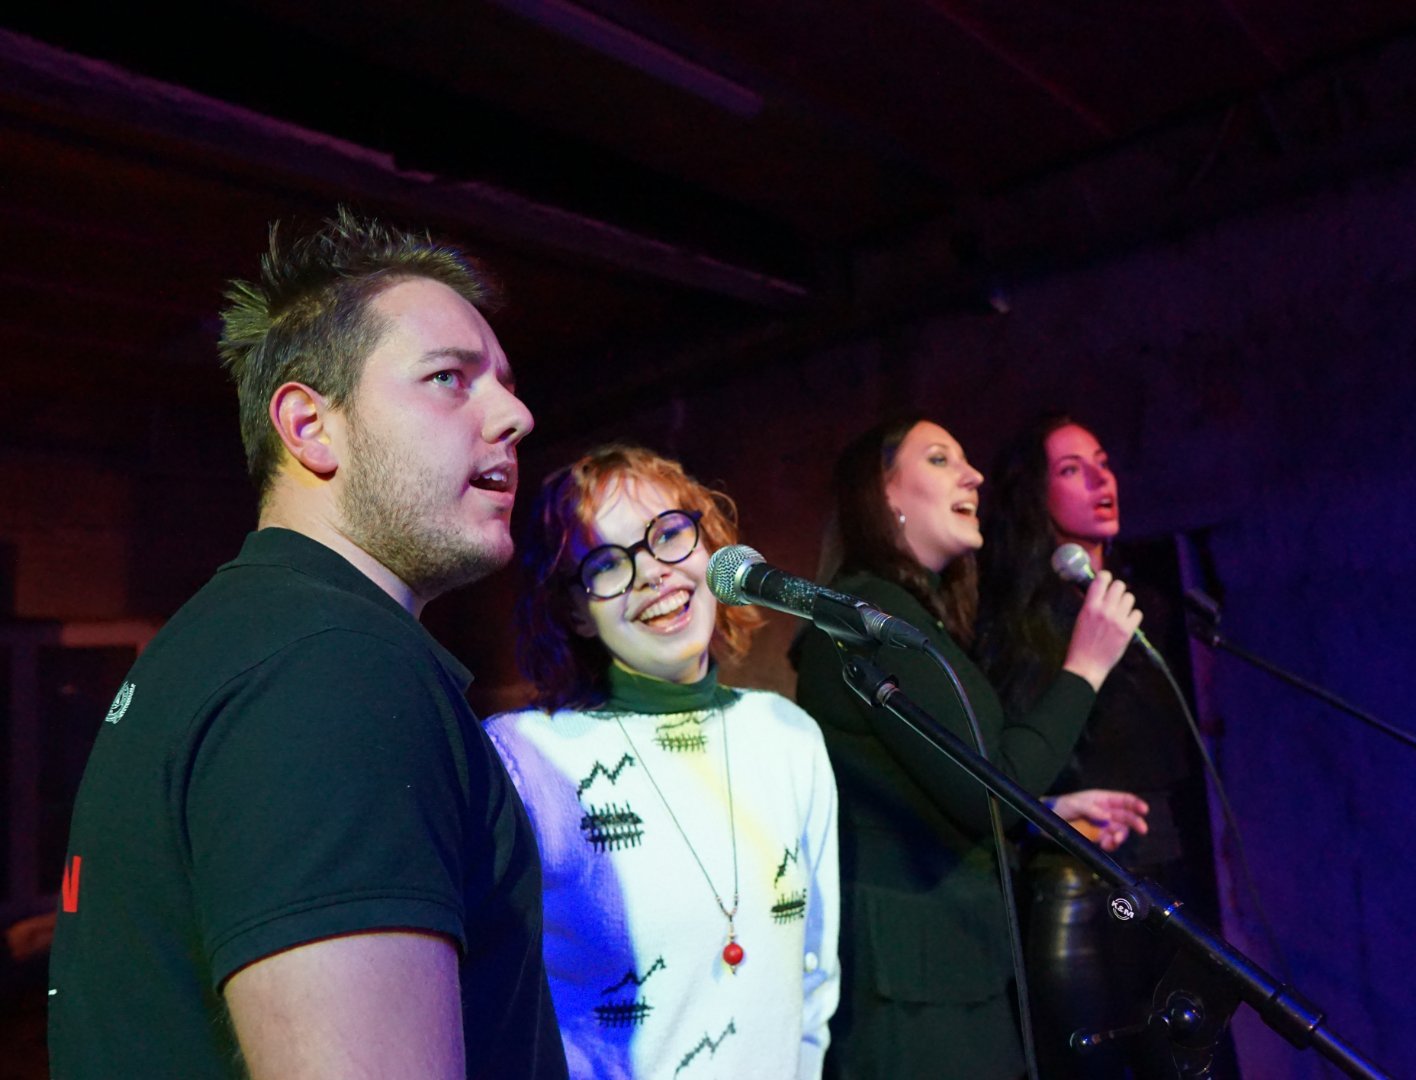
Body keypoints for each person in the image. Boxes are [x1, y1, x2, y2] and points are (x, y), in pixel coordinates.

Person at [47, 209, 568, 1079]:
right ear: (308, 425)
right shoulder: (333, 670)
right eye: (449, 378)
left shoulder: (238, 640)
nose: (515, 414)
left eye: (506, 384)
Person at [792, 417, 1145, 1080]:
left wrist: (1047, 809)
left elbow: (943, 786)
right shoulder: (868, 614)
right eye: (939, 459)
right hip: (913, 992)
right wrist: (1086, 667)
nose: (973, 475)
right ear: (884, 493)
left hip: (947, 970)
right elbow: (989, 789)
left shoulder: (910, 616)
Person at [486, 444, 839, 1079]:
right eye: (607, 563)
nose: (652, 572)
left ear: (711, 548)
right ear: (576, 611)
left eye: (669, 535)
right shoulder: (526, 757)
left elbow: (815, 981)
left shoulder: (788, 736)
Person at [976, 414, 1232, 1078]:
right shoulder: (1015, 619)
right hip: (1079, 889)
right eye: (1071, 469)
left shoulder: (1147, 605)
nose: (1099, 479)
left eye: (1103, 461)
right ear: (1035, 495)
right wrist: (1052, 809)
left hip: (1167, 875)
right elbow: (1003, 764)